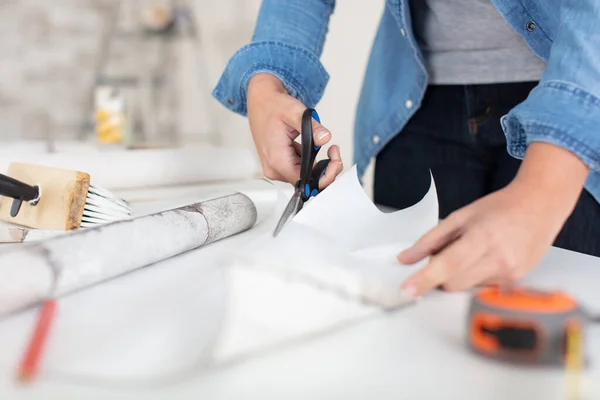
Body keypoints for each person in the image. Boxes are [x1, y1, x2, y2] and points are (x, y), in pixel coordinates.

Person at [211, 0, 600, 300]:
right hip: (416, 105)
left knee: (554, 338)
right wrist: (268, 80)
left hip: (571, 103)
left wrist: (543, 191)